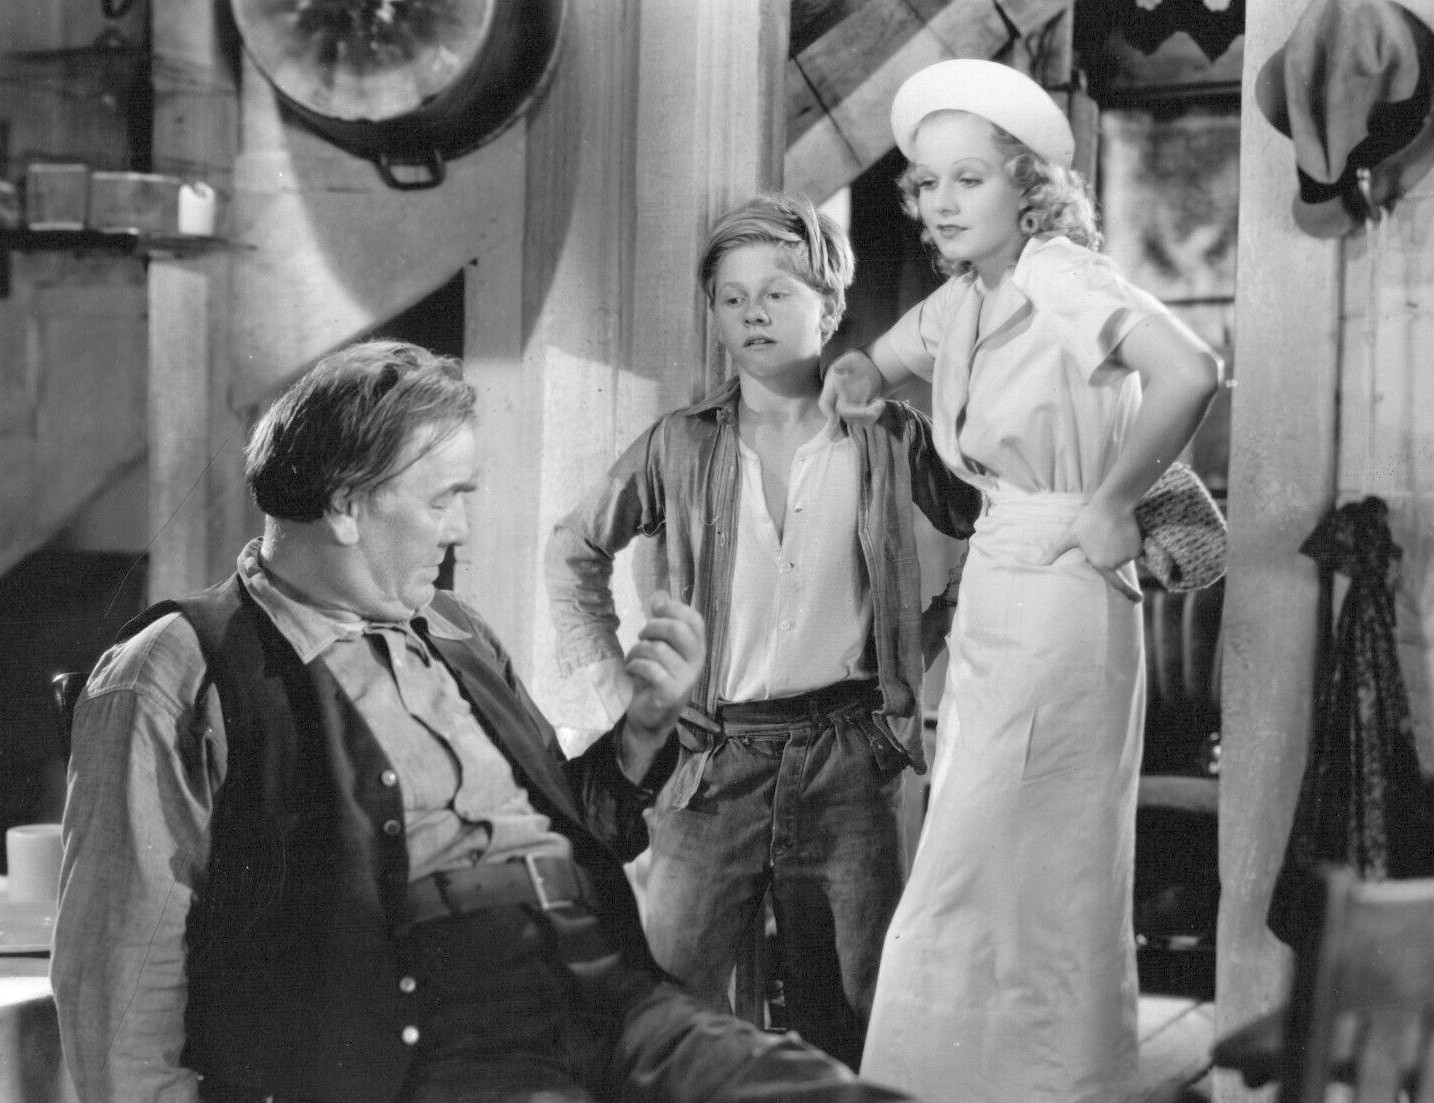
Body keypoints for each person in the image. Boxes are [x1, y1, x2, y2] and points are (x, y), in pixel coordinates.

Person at [51, 339, 910, 1103]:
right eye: (442, 500)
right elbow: (120, 983)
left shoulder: (456, 630)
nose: (460, 529)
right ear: (345, 506)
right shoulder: (177, 667)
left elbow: (580, 830)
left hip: (610, 1000)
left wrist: (645, 729)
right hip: (439, 1040)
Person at [819, 60, 1222, 1103]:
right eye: (927, 183)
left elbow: (1191, 370)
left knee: (1014, 858)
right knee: (992, 856)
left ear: (1029, 187)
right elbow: (887, 356)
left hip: (1064, 589)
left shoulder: (1061, 276)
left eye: (970, 179)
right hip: (1002, 583)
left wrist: (1114, 500)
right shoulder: (967, 296)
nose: (942, 203)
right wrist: (859, 371)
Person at [546, 193, 980, 1070]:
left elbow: (993, 517)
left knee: (853, 1018)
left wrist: (929, 634)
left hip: (850, 760)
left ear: (829, 306)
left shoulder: (890, 435)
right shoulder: (679, 443)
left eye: (778, 292)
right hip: (709, 762)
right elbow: (572, 551)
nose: (752, 313)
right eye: (732, 297)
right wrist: (621, 692)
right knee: (666, 1014)